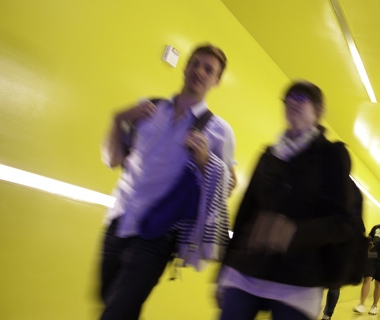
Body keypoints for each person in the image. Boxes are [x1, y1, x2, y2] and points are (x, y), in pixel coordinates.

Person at [98, 44, 236, 320]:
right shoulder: (149, 108)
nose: (199, 71)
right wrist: (119, 119)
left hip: (158, 233)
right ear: (185, 67)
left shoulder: (219, 130)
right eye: (195, 63)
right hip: (119, 220)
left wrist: (206, 160)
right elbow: (112, 159)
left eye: (209, 69)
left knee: (117, 312)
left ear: (217, 81)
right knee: (107, 300)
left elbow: (228, 186)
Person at [218, 80, 366, 320]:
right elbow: (245, 212)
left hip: (299, 277)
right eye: (288, 99)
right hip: (247, 268)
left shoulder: (332, 155)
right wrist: (223, 269)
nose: (293, 103)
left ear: (318, 111)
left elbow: (345, 222)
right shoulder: (268, 155)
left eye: (301, 98)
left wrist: (293, 232)